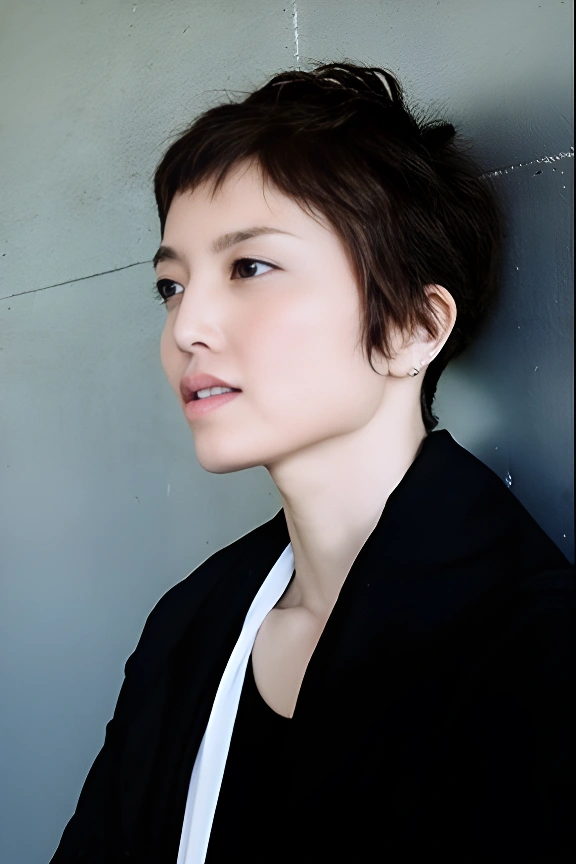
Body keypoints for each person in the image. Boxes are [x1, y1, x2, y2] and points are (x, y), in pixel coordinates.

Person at [51, 62, 574, 863]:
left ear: (412, 327)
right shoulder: (190, 627)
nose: (186, 327)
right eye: (171, 285)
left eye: (249, 268)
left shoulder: (531, 650)